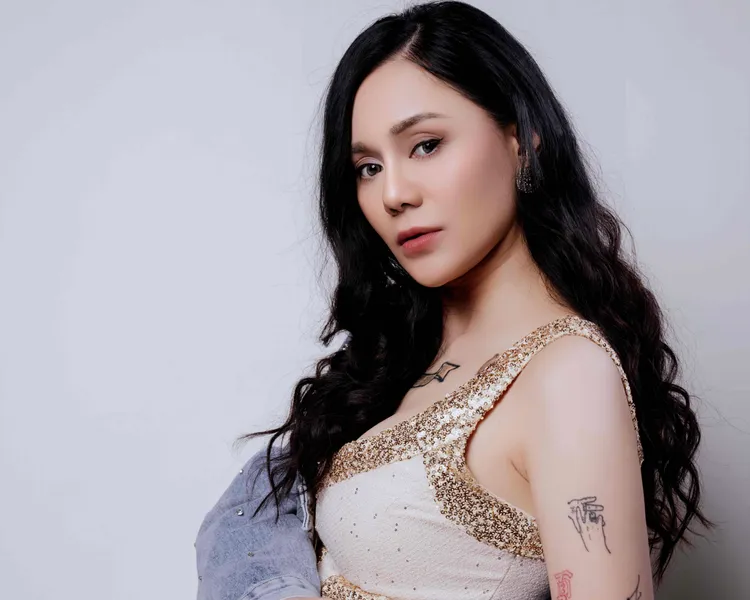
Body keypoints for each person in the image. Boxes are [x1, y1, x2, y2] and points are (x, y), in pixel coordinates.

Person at [195, 2, 711, 599]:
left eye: (426, 145)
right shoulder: (402, 356)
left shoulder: (569, 375)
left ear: (522, 143)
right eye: (367, 167)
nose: (393, 194)